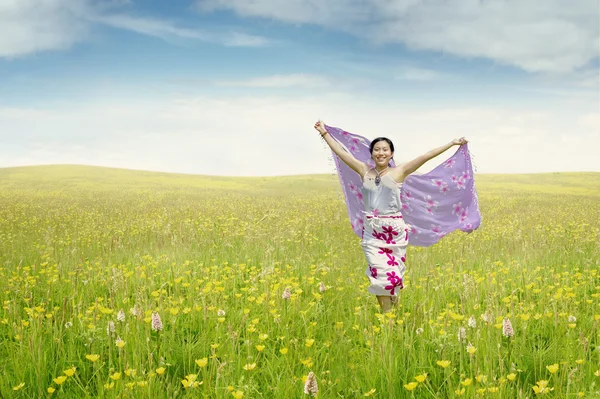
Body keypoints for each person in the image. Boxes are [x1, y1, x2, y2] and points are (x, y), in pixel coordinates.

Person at [313, 120, 468, 312]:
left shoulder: (400, 172)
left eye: (385, 149)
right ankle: (387, 318)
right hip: (372, 231)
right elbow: (341, 153)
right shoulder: (364, 171)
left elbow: (425, 156)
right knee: (378, 273)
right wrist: (324, 133)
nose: (381, 153)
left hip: (394, 231)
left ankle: (394, 311)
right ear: (372, 153)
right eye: (377, 149)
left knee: (393, 276)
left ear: (391, 153)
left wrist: (451, 143)